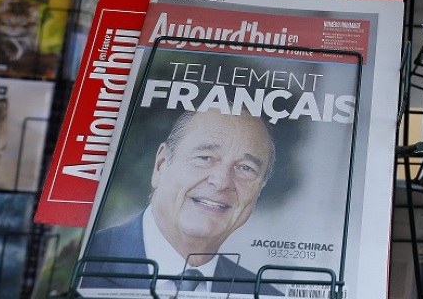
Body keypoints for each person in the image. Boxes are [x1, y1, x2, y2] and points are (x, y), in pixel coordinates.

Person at [81, 110, 281, 295]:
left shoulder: (266, 295)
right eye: (205, 157)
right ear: (161, 165)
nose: (221, 182)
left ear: (259, 189)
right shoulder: (77, 259)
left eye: (246, 168)